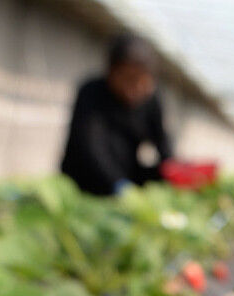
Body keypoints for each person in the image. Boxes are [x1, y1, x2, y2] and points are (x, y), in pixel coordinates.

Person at [60, 34, 174, 196]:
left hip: (126, 172)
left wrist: (172, 171)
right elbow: (91, 147)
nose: (133, 89)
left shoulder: (152, 101)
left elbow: (162, 142)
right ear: (111, 72)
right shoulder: (91, 92)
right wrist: (117, 184)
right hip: (86, 179)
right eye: (128, 79)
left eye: (141, 81)